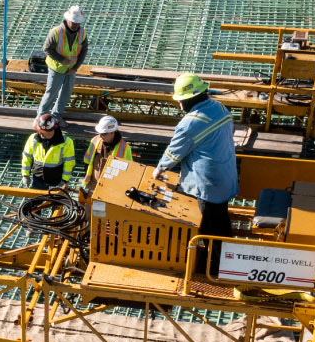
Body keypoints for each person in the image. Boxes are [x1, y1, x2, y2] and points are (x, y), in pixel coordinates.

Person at [152, 73, 238, 250]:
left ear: (189, 99)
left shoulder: (190, 123)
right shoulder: (220, 108)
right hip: (226, 176)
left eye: (181, 100)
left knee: (209, 228)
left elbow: (174, 152)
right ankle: (227, 256)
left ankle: (213, 267)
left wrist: (159, 169)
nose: (179, 104)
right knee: (221, 220)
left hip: (208, 184)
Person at [37, 5, 88, 120]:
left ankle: (56, 117)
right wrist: (62, 60)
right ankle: (41, 117)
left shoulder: (82, 33)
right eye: (73, 22)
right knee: (51, 93)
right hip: (56, 68)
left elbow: (84, 50)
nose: (76, 25)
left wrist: (75, 68)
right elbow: (46, 48)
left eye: (78, 23)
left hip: (71, 69)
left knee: (65, 94)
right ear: (67, 20)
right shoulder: (56, 32)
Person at [21, 113, 76, 190]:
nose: (39, 133)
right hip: (37, 179)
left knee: (54, 202)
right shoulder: (33, 139)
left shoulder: (66, 142)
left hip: (56, 181)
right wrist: (25, 175)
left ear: (51, 131)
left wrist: (64, 181)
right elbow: (27, 158)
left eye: (42, 131)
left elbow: (69, 163)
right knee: (36, 201)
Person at [81, 115, 134, 195]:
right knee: (89, 207)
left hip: (111, 189)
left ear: (112, 133)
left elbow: (129, 171)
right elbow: (87, 161)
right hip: (93, 185)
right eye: (100, 133)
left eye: (104, 134)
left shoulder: (124, 148)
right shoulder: (95, 140)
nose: (100, 136)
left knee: (103, 208)